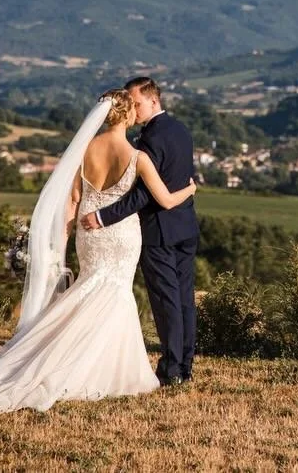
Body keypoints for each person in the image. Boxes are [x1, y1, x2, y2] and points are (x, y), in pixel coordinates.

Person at [0, 88, 194, 417]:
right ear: (127, 115)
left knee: (89, 290)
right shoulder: (138, 157)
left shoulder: (85, 150)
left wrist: (61, 242)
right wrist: (190, 186)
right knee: (113, 296)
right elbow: (167, 200)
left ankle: (71, 360)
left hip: (88, 236)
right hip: (121, 236)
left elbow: (72, 201)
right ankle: (101, 368)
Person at [81, 76, 198, 386]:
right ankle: (185, 364)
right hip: (186, 227)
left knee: (166, 300)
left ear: (153, 101)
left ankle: (172, 369)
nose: (133, 109)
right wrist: (188, 192)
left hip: (160, 229)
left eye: (137, 103)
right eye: (130, 104)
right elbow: (185, 177)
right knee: (185, 298)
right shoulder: (181, 131)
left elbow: (143, 195)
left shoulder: (150, 141)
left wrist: (103, 216)